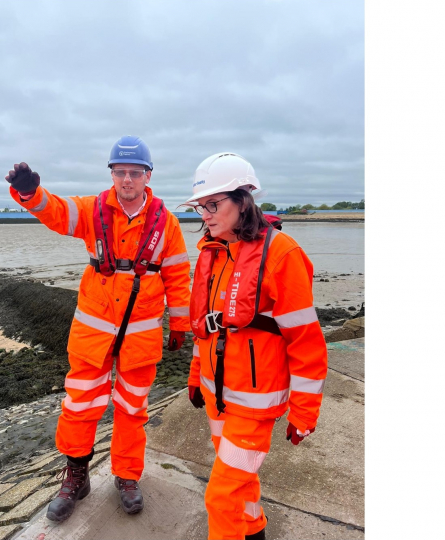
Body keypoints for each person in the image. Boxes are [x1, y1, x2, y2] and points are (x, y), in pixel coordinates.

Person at [3, 136, 191, 522]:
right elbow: (54, 211)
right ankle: (76, 476)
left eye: (134, 172)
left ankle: (126, 476)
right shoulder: (92, 210)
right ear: (112, 174)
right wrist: (30, 193)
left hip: (141, 335)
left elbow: (177, 274)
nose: (126, 180)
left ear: (147, 175)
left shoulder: (166, 222)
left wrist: (182, 324)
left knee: (132, 408)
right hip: (93, 332)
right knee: (79, 406)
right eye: (120, 172)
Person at [183, 153, 328, 540]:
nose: (206, 215)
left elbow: (307, 342)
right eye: (202, 207)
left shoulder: (282, 254)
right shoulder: (211, 253)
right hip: (218, 397)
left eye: (214, 205)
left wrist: (304, 412)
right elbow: (206, 327)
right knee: (240, 485)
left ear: (243, 198)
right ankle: (254, 532)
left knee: (221, 496)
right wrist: (197, 375)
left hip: (255, 402)